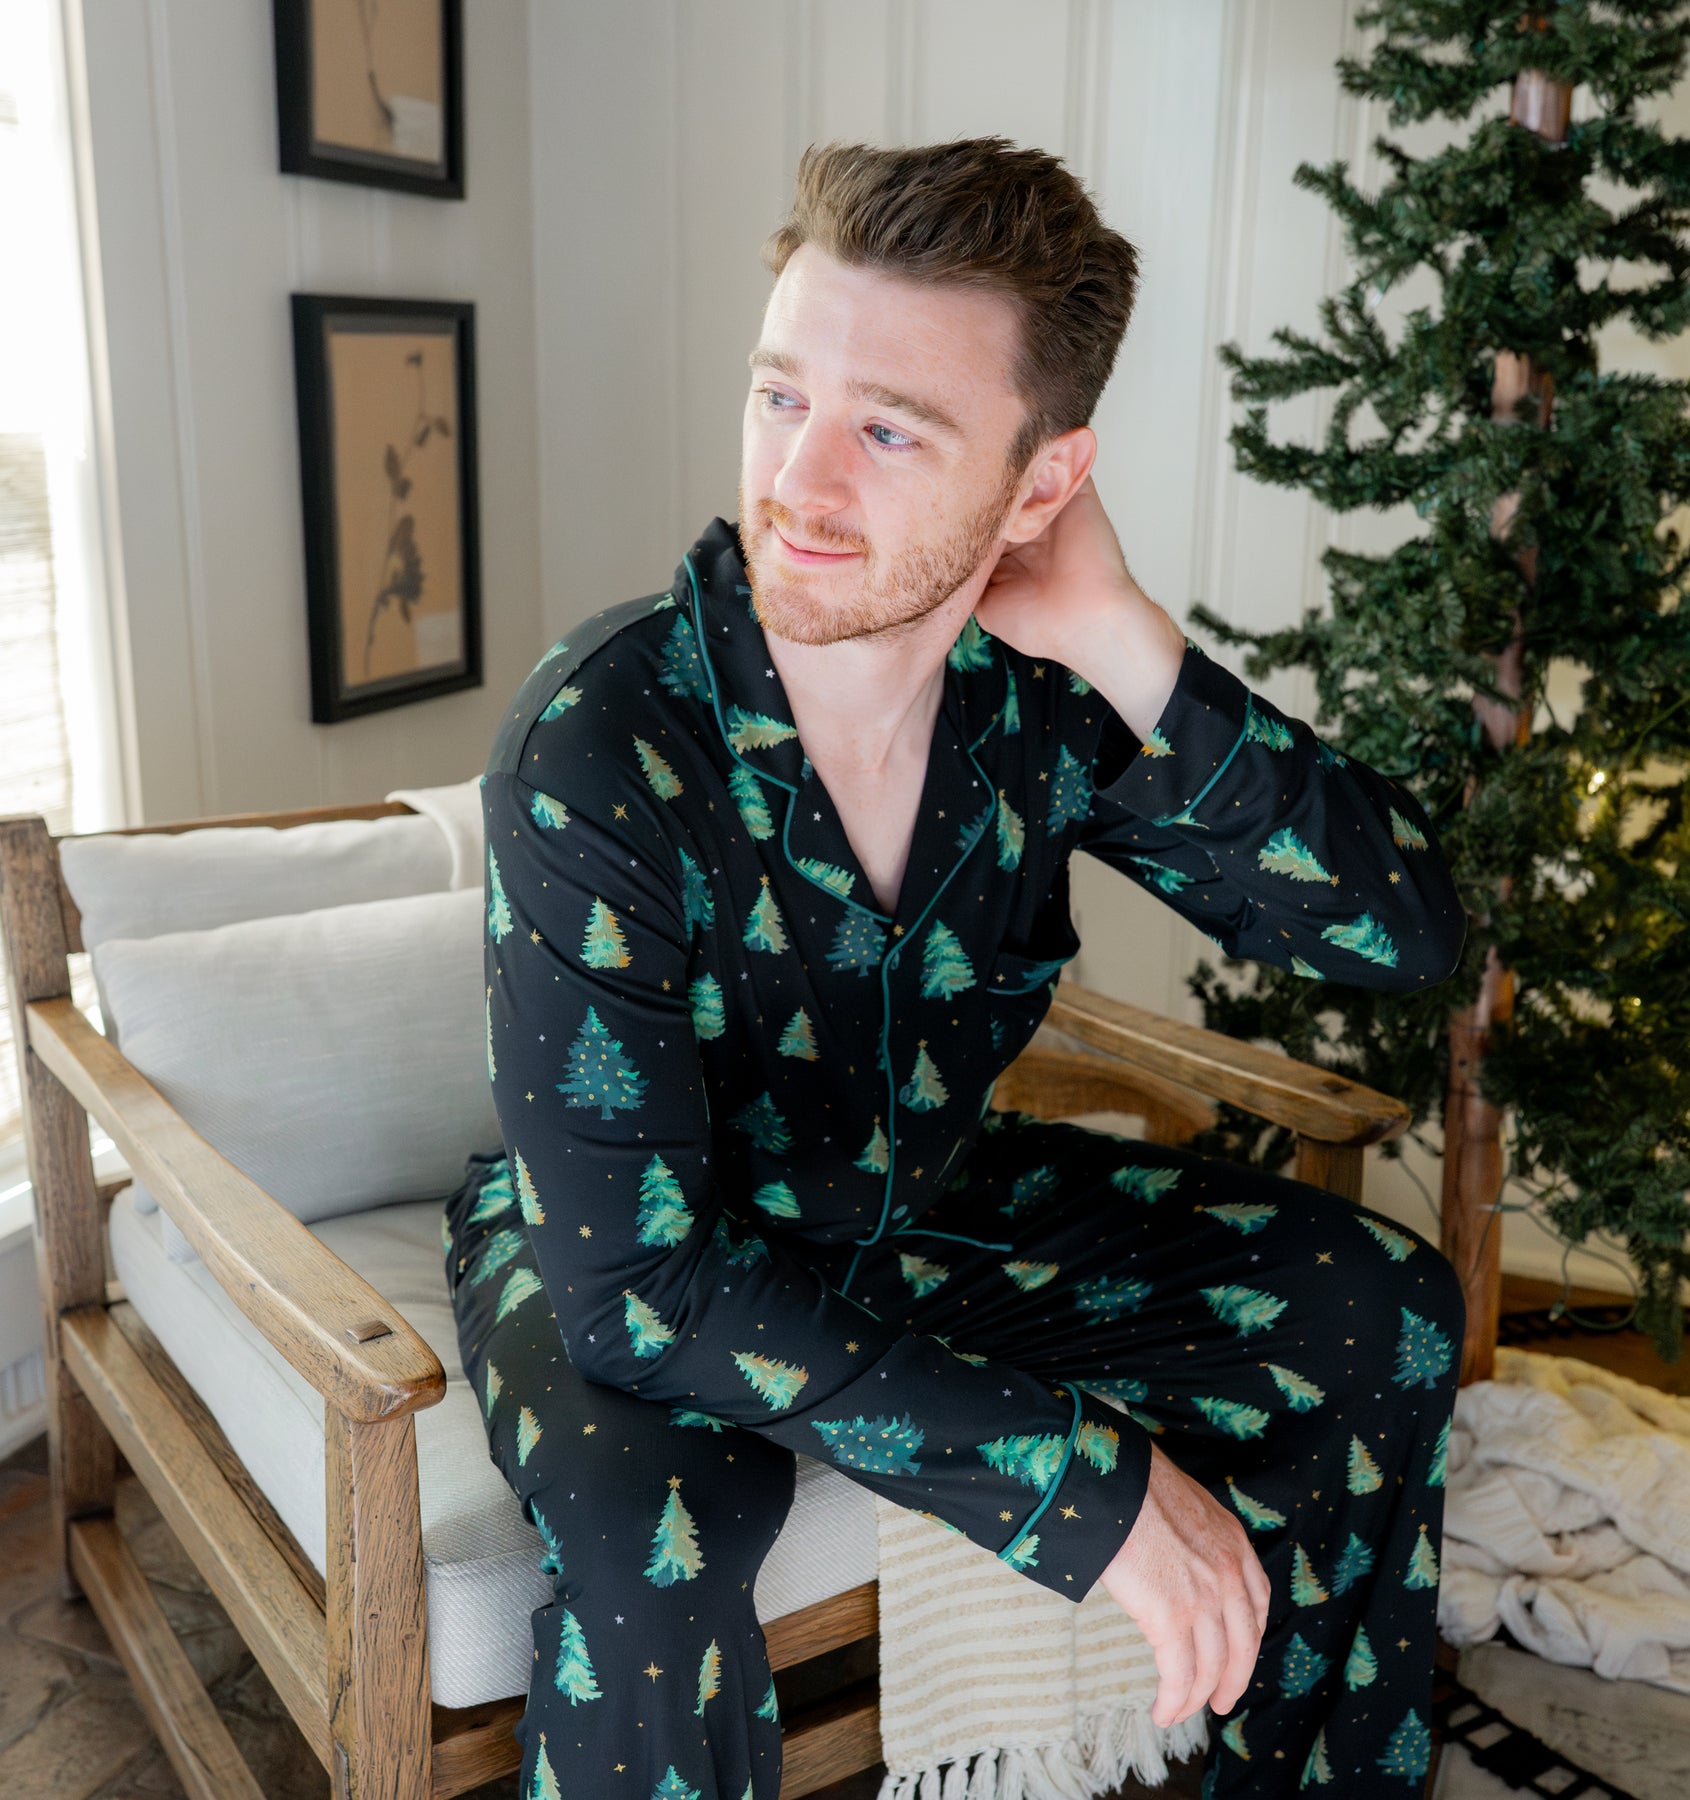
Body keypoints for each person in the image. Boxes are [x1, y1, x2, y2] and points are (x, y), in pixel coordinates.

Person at [446, 136, 1468, 1800]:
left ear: (1042, 481)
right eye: (784, 397)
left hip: (930, 1209)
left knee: (1386, 1305)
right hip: (648, 1259)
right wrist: (1087, 1488)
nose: (801, 481)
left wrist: (1127, 633)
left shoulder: (1040, 701)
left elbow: (1402, 936)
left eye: (890, 429)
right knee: (653, 1549)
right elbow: (638, 1290)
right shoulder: (598, 743)